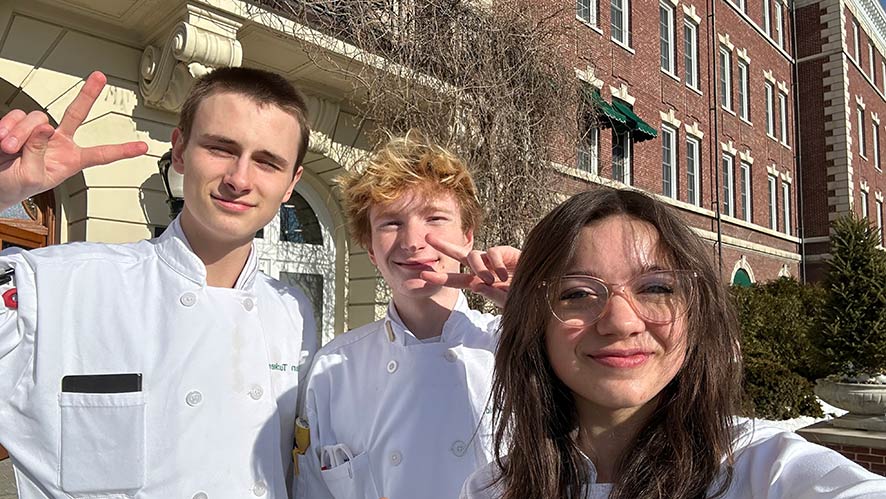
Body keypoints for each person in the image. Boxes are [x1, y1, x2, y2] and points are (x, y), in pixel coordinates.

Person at [0, 67, 317, 498]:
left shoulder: (293, 311)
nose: (240, 179)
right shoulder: (56, 285)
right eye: (221, 148)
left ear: (290, 184)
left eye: (267, 162)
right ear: (181, 151)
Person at [461, 189, 886, 499]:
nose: (621, 322)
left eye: (656, 288)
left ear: (698, 315)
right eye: (576, 293)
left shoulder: (760, 470)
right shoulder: (490, 489)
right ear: (536, 326)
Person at [294, 131, 515, 499]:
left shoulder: (517, 346)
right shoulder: (334, 368)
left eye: (435, 218)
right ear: (369, 248)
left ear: (468, 237)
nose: (413, 241)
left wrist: (543, 306)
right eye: (391, 223)